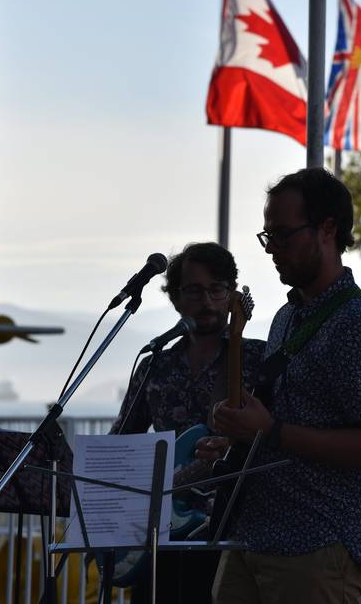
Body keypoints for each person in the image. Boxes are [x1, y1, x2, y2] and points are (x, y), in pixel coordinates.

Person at [202, 168, 361, 604]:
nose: (272, 249)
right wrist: (242, 444)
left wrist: (270, 432)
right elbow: (282, 426)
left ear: (327, 230)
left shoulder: (357, 326)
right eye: (267, 237)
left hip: (317, 546)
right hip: (256, 537)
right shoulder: (287, 317)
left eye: (283, 236)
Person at [111, 241, 266, 604]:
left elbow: (273, 436)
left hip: (231, 535)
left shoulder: (257, 358)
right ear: (176, 299)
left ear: (232, 297)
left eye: (217, 289)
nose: (208, 301)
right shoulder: (155, 364)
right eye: (195, 291)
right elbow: (121, 443)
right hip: (159, 534)